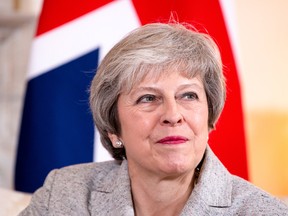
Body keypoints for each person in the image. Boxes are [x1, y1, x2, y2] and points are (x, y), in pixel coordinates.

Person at [19, 22, 288, 216]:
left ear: (208, 118)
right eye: (148, 98)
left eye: (189, 96)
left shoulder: (264, 212)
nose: (172, 115)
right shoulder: (64, 195)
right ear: (114, 129)